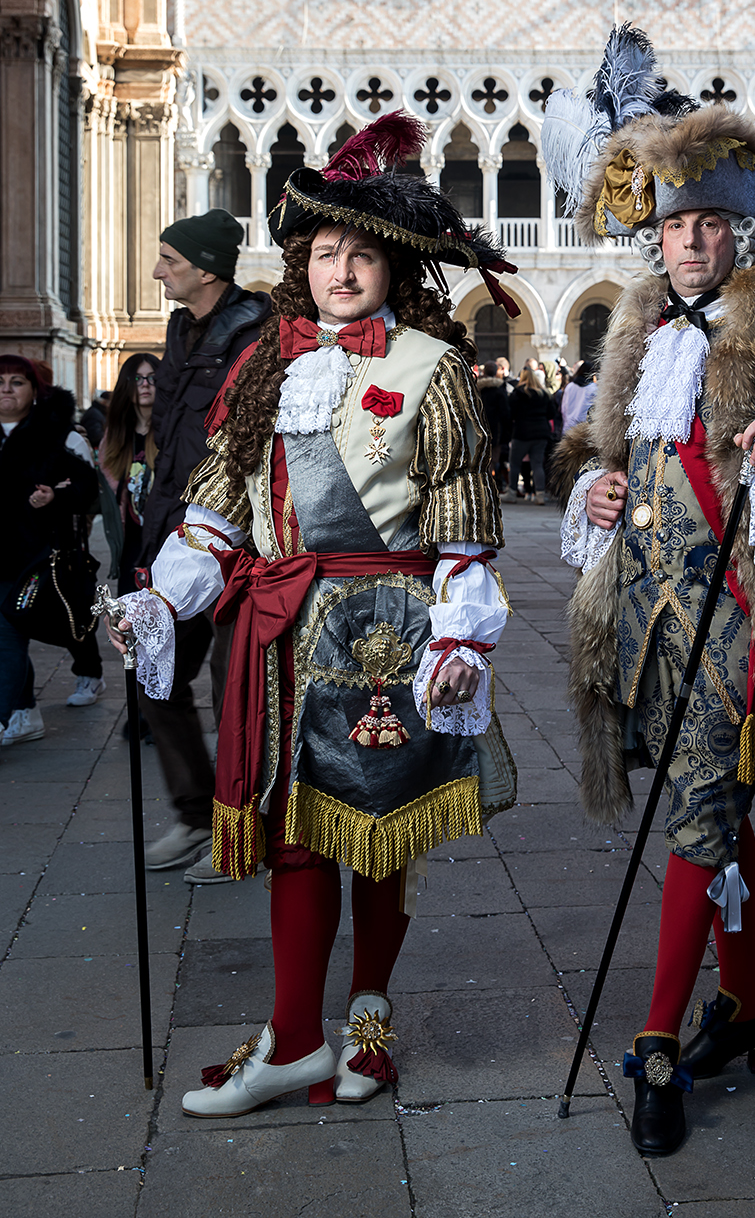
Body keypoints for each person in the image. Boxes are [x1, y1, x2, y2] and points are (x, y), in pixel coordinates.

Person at [108, 112, 518, 1117]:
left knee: (378, 842)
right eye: (325, 252)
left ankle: (367, 1031)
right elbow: (213, 515)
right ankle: (294, 1040)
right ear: (302, 262)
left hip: (386, 638)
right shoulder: (260, 367)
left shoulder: (432, 369)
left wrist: (463, 635)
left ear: (392, 268)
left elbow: (463, 523)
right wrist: (158, 602)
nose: (342, 269)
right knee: (291, 838)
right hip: (277, 638)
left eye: (361, 253)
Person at [543, 25, 755, 1159]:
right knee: (714, 814)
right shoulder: (633, 330)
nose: (688, 242)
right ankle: (751, 1009)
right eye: (674, 225)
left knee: (694, 812)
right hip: (640, 621)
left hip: (737, 622)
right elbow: (610, 461)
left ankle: (651, 1039)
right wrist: (592, 494)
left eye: (707, 224)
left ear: (738, 231)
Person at [138, 209, 272, 876]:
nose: (158, 271)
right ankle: (195, 816)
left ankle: (238, 831)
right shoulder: (180, 328)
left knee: (234, 695)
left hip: (237, 542)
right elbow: (169, 436)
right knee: (154, 678)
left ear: (207, 268)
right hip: (174, 533)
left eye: (169, 258)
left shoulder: (260, 332)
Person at [0, 356, 101, 743]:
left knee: (11, 636)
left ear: (34, 391)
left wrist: (54, 498)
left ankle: (11, 713)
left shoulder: (56, 434)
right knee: (7, 638)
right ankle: (23, 712)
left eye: (17, 382)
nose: (7, 389)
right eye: (1, 382)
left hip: (35, 557)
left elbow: (87, 488)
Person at [99, 354, 160, 597]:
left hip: (166, 546)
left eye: (152, 378)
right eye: (137, 378)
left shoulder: (173, 434)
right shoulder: (115, 439)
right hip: (131, 549)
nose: (145, 384)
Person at [504, 365, 555, 504]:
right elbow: (551, 413)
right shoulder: (543, 394)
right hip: (540, 432)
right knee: (537, 464)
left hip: (522, 432)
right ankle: (540, 494)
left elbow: (510, 413)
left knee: (514, 463)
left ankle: (512, 493)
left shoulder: (518, 393)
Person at [476, 361, 512, 485]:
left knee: (480, 457)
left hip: (478, 428)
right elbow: (505, 412)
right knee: (493, 458)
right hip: (496, 430)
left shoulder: (476, 389)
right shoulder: (499, 390)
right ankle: (490, 483)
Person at [560, 361, 599, 432]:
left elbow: (564, 408)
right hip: (583, 429)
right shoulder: (593, 389)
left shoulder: (569, 386)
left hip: (568, 427)